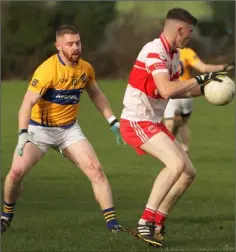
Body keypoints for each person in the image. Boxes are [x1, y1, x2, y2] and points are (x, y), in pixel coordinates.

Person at [1, 24, 125, 234]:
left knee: (95, 170)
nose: (75, 47)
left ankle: (113, 225)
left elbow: (96, 93)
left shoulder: (85, 68)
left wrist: (112, 120)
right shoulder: (48, 70)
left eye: (77, 43)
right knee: (15, 173)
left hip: (69, 130)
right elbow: (26, 104)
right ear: (58, 46)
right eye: (70, 44)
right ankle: (6, 215)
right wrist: (23, 133)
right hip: (39, 130)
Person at [120, 8, 227, 247]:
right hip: (136, 121)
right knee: (176, 164)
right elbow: (168, 89)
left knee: (188, 172)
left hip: (153, 122)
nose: (191, 36)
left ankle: (157, 223)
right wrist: (200, 79)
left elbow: (183, 89)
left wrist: (212, 88)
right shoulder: (153, 51)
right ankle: (144, 223)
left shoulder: (174, 55)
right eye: (189, 32)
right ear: (179, 30)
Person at [164, 47, 234, 153]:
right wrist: (224, 66)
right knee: (183, 123)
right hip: (188, 90)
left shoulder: (163, 51)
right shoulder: (187, 52)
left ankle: (167, 148)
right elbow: (204, 68)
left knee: (169, 123)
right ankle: (185, 147)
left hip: (173, 90)